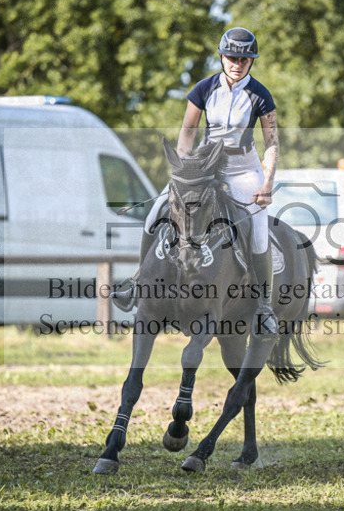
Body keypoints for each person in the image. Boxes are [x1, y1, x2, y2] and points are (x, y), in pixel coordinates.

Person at [112, 27, 280, 336]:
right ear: (221, 56)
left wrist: (267, 181)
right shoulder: (204, 88)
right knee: (155, 213)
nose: (237, 64)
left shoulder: (260, 95)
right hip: (204, 164)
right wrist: (182, 167)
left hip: (243, 168)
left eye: (244, 59)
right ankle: (138, 283)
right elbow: (188, 129)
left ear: (251, 62)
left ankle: (263, 306)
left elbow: (271, 142)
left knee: (258, 231)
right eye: (232, 57)